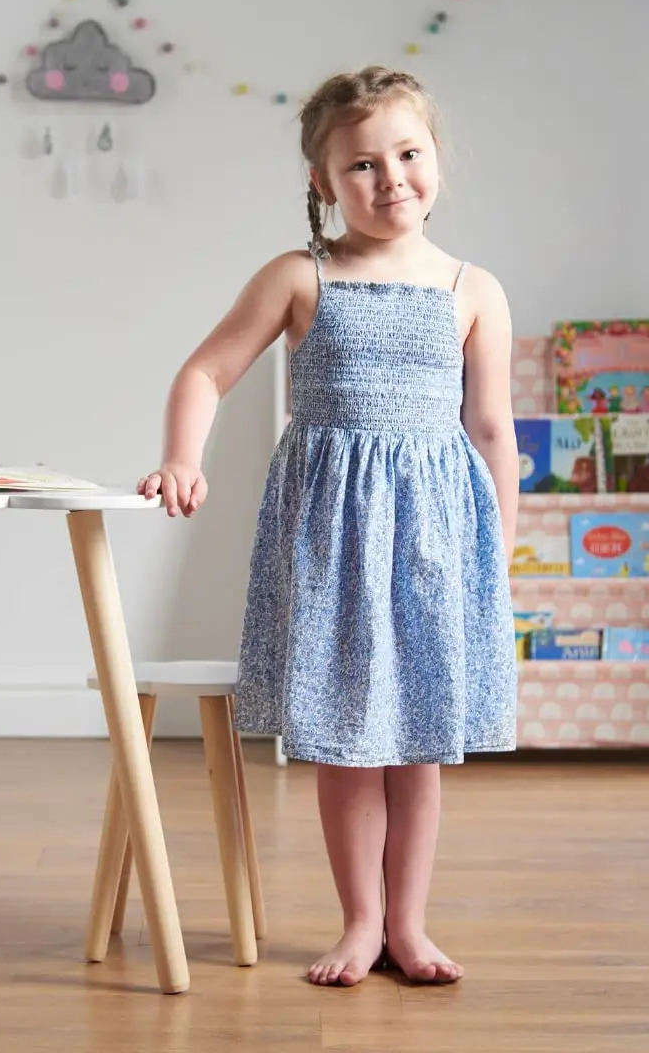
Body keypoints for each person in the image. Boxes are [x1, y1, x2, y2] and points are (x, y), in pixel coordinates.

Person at [137, 66, 518, 986]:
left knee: (419, 740)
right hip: (334, 546)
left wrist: (495, 557)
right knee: (351, 739)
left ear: (436, 162)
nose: (391, 178)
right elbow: (203, 373)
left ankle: (410, 926)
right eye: (361, 164)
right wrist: (184, 457)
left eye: (408, 155)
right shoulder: (301, 277)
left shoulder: (473, 290)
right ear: (322, 183)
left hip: (432, 543)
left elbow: (493, 428)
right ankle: (359, 921)